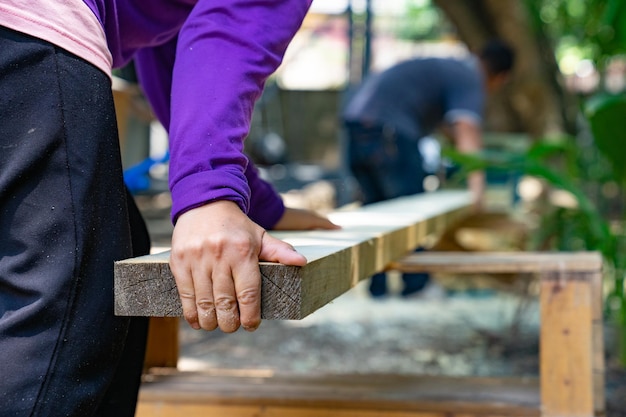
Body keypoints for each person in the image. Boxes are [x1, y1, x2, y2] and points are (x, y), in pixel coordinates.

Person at [0, 1, 339, 416]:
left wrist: (255, 204)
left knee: (121, 239)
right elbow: (234, 17)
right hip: (30, 29)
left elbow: (178, 64)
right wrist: (210, 193)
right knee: (59, 336)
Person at [342, 40, 514, 298]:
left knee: (377, 212)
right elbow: (466, 129)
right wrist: (477, 188)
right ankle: (416, 286)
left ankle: (377, 289)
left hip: (357, 125)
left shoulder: (448, 69)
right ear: (501, 78)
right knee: (410, 211)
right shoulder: (471, 76)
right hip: (390, 132)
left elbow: (449, 129)